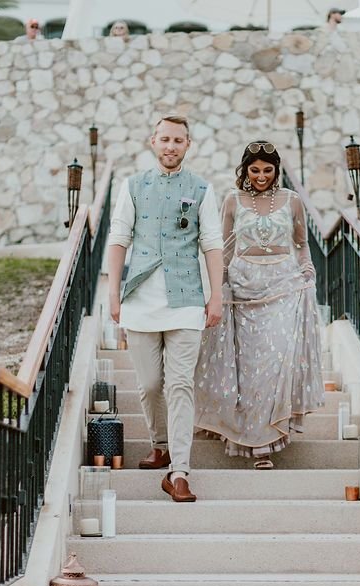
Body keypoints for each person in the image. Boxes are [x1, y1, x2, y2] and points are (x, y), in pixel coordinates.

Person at [105, 115, 223, 503]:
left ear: (188, 145)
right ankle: (160, 444)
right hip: (140, 299)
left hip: (186, 299)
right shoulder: (133, 186)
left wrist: (215, 295)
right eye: (165, 139)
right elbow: (119, 237)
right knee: (151, 384)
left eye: (178, 140)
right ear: (152, 142)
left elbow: (211, 243)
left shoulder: (202, 189)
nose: (171, 146)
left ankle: (180, 471)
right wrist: (113, 292)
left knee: (180, 384)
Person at [195, 141, 324, 470]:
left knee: (274, 361)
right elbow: (224, 249)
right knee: (248, 368)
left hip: (282, 286)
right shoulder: (233, 200)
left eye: (268, 170)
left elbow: (302, 244)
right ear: (245, 170)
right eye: (255, 170)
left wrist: (307, 268)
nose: (262, 176)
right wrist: (218, 286)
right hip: (242, 288)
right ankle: (251, 441)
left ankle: (266, 442)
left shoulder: (292, 201)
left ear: (276, 170)